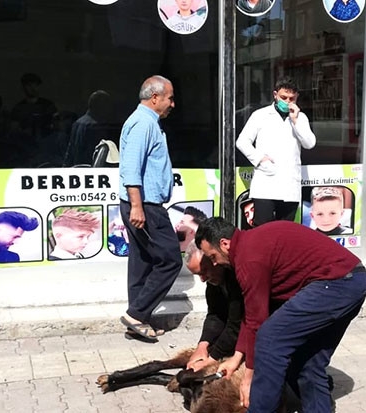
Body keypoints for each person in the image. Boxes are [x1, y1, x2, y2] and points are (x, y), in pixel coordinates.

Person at [195, 217, 366, 412]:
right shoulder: (250, 245)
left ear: (224, 244)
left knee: (270, 339)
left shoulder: (248, 258)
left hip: (337, 283)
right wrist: (236, 359)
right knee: (307, 363)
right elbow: (251, 314)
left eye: (212, 256)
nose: (215, 263)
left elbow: (258, 323)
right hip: (351, 281)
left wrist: (249, 379)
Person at [118, 75, 182, 342]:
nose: (172, 104)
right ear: (155, 98)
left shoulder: (146, 122)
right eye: (169, 98)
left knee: (142, 261)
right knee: (170, 260)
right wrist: (137, 206)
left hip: (141, 203)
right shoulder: (143, 123)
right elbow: (131, 168)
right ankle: (137, 313)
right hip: (145, 205)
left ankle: (138, 319)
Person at [236, 76, 316, 226]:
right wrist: (260, 159)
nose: (287, 102)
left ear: (296, 97)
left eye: (291, 98)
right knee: (262, 227)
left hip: (289, 183)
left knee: (285, 230)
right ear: (275, 95)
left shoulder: (301, 118)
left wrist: (296, 121)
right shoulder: (260, 115)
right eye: (283, 97)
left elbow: (309, 143)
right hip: (266, 181)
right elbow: (242, 142)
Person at [183, 240, 243, 371]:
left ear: (214, 260)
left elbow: (236, 324)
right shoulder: (213, 283)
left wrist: (212, 359)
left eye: (204, 271)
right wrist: (202, 345)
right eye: (198, 275)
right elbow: (215, 315)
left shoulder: (237, 276)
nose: (203, 279)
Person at [64, 90, 113, 166]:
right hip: (88, 170)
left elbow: (70, 151)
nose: (109, 110)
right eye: (106, 105)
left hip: (75, 168)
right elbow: (93, 153)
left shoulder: (77, 123)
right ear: (99, 106)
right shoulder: (94, 127)